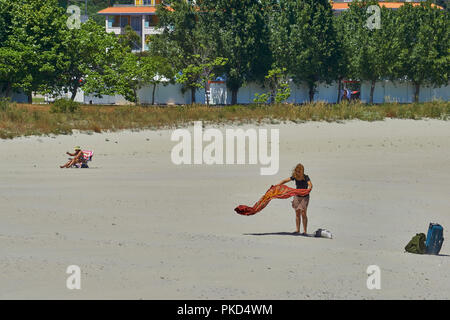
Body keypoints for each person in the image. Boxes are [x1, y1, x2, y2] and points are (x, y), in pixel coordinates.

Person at [276, 163, 313, 235]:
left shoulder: (306, 177)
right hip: (297, 196)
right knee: (297, 213)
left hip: (305, 197)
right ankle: (297, 230)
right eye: (297, 172)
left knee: (303, 213)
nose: (298, 173)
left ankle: (305, 231)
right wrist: (278, 185)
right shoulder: (295, 176)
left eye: (299, 172)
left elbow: (310, 184)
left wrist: (309, 188)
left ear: (302, 171)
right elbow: (285, 181)